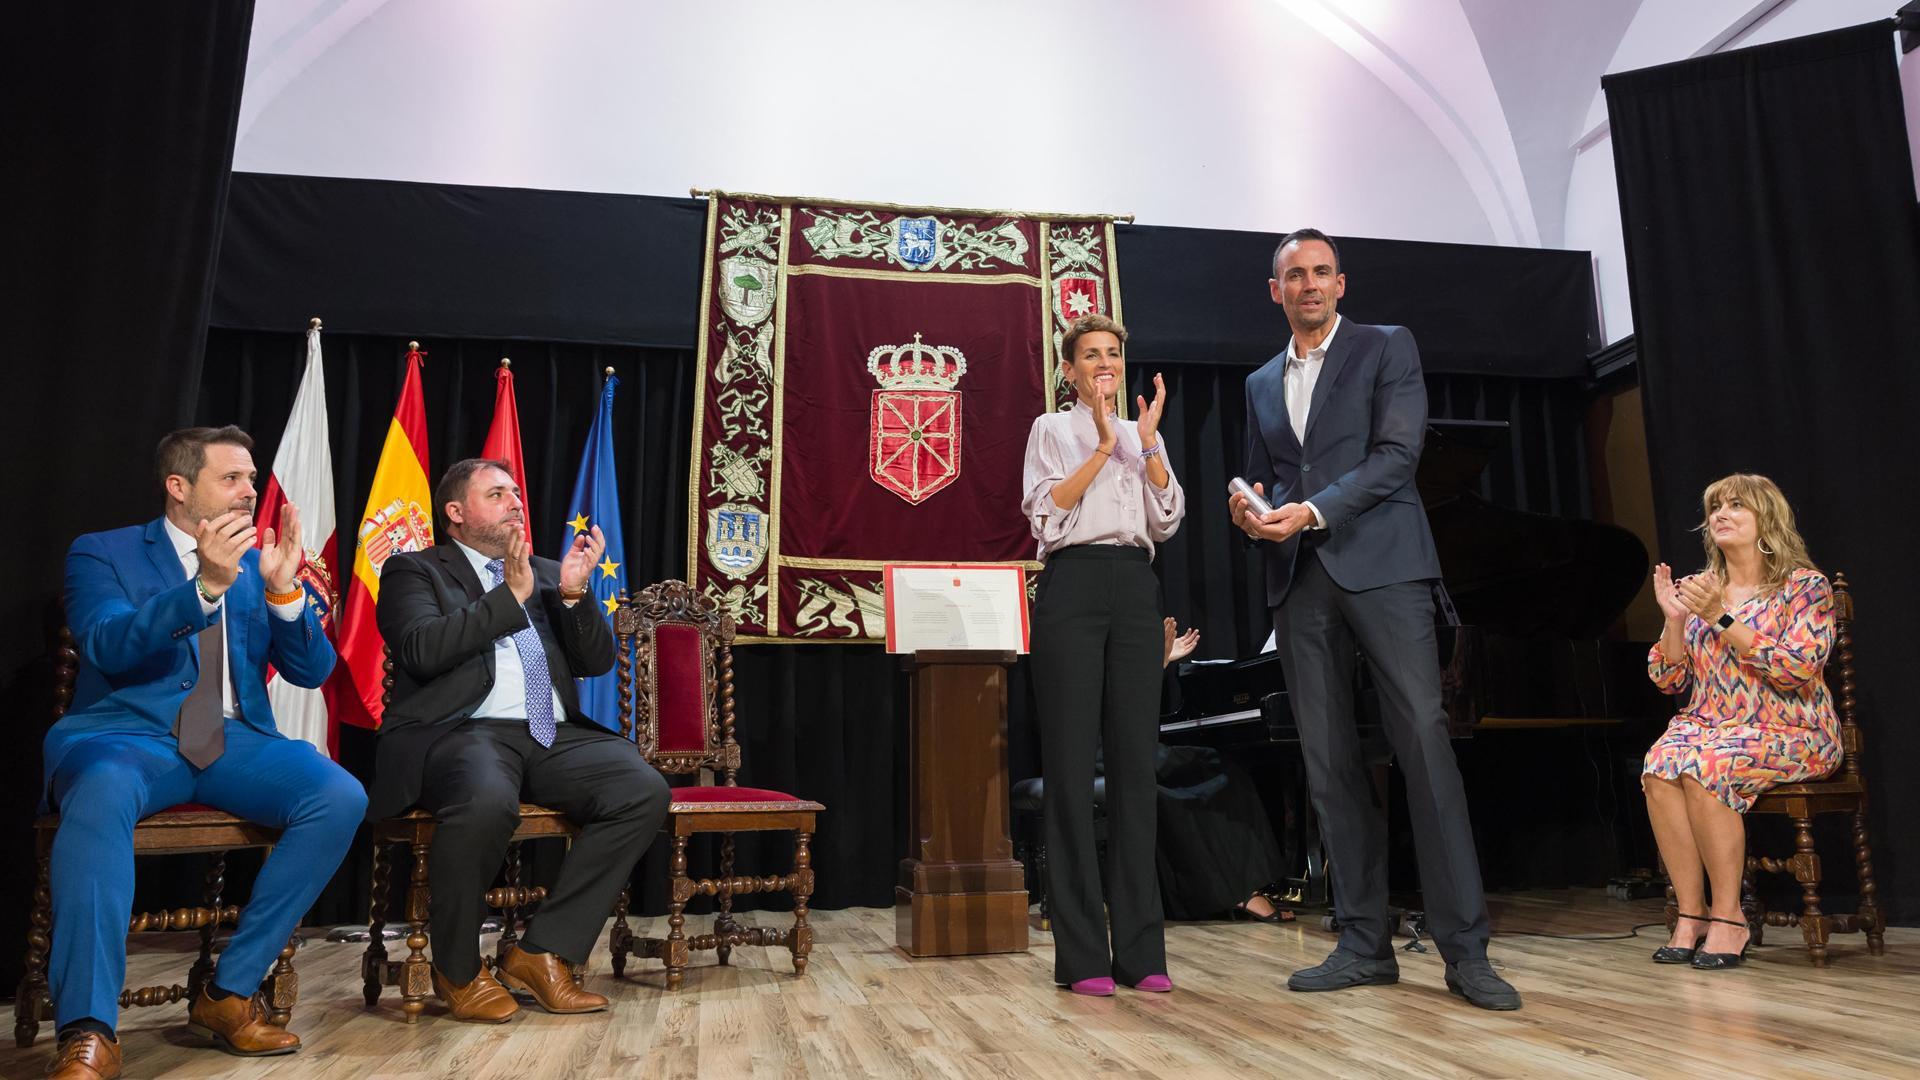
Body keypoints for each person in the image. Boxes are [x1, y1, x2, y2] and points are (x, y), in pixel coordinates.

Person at [1229, 228, 1519, 1010]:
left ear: (1342, 283)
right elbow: (1268, 473)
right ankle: (1362, 943)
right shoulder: (1260, 381)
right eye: (1295, 275)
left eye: (1322, 272)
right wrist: (1251, 509)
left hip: (1384, 569)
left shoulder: (1388, 347)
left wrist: (1312, 511)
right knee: (1327, 763)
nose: (1310, 285)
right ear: (1276, 290)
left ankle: (1467, 953)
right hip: (1299, 581)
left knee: (1423, 747)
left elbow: (1398, 457)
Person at [44, 426, 367, 1080]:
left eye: (251, 478)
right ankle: (88, 1030)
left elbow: (312, 670)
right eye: (233, 478)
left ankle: (227, 994)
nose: (251, 491)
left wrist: (282, 595)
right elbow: (106, 642)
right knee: (102, 790)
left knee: (339, 795)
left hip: (232, 741)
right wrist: (203, 589)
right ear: (179, 487)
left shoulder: (260, 559)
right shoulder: (102, 552)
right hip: (127, 736)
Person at [367, 458, 671, 1023]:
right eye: (497, 493)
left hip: (551, 733)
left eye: (515, 492)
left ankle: (543, 951)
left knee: (641, 788)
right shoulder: (414, 570)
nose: (515, 501)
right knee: (486, 798)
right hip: (463, 730)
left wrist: (576, 597)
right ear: (455, 513)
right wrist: (506, 597)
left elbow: (596, 663)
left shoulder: (551, 572)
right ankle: (457, 969)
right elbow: (422, 650)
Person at [1022, 313, 1184, 996]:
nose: (1104, 364)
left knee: (1133, 773)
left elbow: (1167, 517)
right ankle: (1083, 956)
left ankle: (1142, 952)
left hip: (1135, 586)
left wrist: (1145, 447)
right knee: (1067, 768)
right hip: (1074, 585)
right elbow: (1045, 512)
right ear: (1069, 370)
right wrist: (1102, 444)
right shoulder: (1050, 430)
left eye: (1113, 353)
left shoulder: (1148, 434)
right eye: (1090, 355)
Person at [1643, 474, 1839, 970]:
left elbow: (1797, 669)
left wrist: (1723, 619)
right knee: (1660, 763)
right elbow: (1669, 679)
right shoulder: (1701, 589)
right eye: (1715, 507)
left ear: (1766, 521)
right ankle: (1692, 915)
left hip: (1793, 729)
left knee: (1707, 765)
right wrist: (1673, 619)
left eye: (1737, 506)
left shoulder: (1803, 587)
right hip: (1712, 723)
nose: (1722, 514)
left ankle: (1730, 918)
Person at [1148, 619, 1292, 923]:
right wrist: (1158, 661)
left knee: (1220, 765)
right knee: (1222, 772)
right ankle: (1237, 891)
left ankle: (1241, 887)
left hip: (1127, 743)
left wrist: (1160, 660)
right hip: (1110, 748)